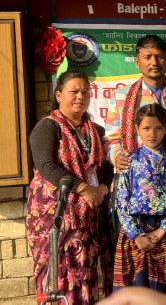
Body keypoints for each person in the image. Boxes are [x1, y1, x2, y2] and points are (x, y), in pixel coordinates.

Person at [26, 70, 113, 305]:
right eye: (74, 91)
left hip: (90, 214)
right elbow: (47, 165)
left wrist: (102, 189)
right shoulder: (47, 127)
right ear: (58, 95)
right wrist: (84, 189)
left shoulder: (96, 131)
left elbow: (106, 166)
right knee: (58, 273)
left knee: (87, 271)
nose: (80, 96)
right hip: (56, 214)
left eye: (85, 92)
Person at [113, 104, 166, 304]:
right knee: (138, 283)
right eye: (146, 128)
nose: (152, 134)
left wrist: (163, 229)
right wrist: (135, 235)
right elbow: (121, 201)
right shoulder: (129, 160)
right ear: (137, 129)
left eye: (158, 128)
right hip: (137, 229)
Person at [105, 35, 166, 173]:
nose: (154, 62)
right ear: (137, 62)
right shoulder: (121, 96)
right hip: (136, 176)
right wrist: (117, 155)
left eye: (159, 56)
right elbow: (111, 140)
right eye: (147, 57)